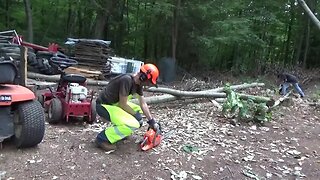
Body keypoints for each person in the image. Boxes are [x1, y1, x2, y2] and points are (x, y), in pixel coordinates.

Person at [95, 63, 161, 151]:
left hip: (115, 103)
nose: (148, 85)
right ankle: (102, 138)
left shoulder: (138, 84)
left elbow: (143, 104)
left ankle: (121, 132)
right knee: (133, 123)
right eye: (149, 83)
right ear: (143, 77)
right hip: (104, 106)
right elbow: (123, 104)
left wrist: (151, 121)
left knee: (138, 117)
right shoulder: (127, 80)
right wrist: (134, 115)